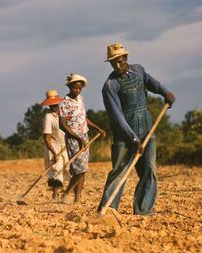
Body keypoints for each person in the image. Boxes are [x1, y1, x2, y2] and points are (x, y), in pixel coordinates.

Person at [98, 43, 175, 215]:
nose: (118, 65)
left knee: (149, 170)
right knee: (119, 171)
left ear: (126, 58)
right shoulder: (110, 85)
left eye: (120, 61)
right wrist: (133, 138)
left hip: (147, 128)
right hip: (124, 135)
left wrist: (165, 93)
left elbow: (152, 83)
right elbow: (117, 117)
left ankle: (143, 209)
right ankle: (108, 209)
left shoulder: (139, 71)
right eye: (113, 63)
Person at [59, 73, 106, 203]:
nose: (77, 90)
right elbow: (62, 125)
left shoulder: (80, 99)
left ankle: (77, 197)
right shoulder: (64, 103)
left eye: (80, 88)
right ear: (69, 87)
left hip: (84, 136)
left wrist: (97, 127)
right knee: (77, 169)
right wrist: (77, 138)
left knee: (83, 169)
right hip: (73, 139)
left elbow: (83, 118)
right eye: (75, 88)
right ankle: (67, 192)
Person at [41, 90, 69, 201]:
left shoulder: (64, 113)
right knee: (56, 170)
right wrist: (54, 153)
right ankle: (55, 196)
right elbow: (46, 138)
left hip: (66, 146)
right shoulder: (48, 117)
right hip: (53, 146)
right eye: (51, 104)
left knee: (68, 169)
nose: (54, 106)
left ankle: (67, 194)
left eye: (55, 103)